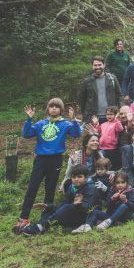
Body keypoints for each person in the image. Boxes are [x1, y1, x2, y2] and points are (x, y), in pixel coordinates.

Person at [14, 99, 81, 234]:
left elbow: (76, 134)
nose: (54, 109)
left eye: (57, 107)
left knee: (50, 189)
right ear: (48, 109)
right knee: (32, 188)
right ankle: (24, 218)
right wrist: (29, 119)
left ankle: (45, 219)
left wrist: (74, 120)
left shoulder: (65, 124)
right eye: (52, 106)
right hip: (41, 159)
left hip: (55, 159)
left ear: (61, 110)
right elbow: (26, 134)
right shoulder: (40, 124)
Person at [21, 166, 94, 236]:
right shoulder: (72, 188)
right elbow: (63, 204)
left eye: (79, 177)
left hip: (84, 218)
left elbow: (88, 208)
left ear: (86, 178)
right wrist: (47, 206)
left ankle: (42, 226)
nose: (76, 179)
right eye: (74, 177)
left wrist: (79, 204)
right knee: (49, 209)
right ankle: (40, 225)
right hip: (70, 213)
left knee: (67, 207)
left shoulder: (90, 188)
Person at [79, 56, 121, 123]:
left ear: (104, 65)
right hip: (93, 118)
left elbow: (119, 96)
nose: (97, 67)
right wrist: (85, 115)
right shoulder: (87, 81)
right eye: (95, 65)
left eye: (99, 65)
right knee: (94, 134)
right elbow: (82, 100)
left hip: (111, 116)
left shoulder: (112, 78)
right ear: (92, 66)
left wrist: (119, 111)